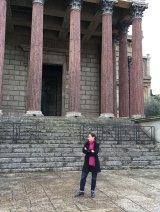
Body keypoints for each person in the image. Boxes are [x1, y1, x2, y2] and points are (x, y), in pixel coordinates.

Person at [75, 132, 101, 198]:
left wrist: (88, 151)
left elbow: (96, 152)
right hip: (87, 163)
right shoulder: (86, 143)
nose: (88, 138)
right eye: (88, 137)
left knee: (94, 179)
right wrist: (91, 151)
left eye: (89, 137)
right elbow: (83, 150)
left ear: (93, 137)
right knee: (83, 177)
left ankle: (92, 191)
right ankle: (81, 191)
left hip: (94, 164)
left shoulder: (96, 144)